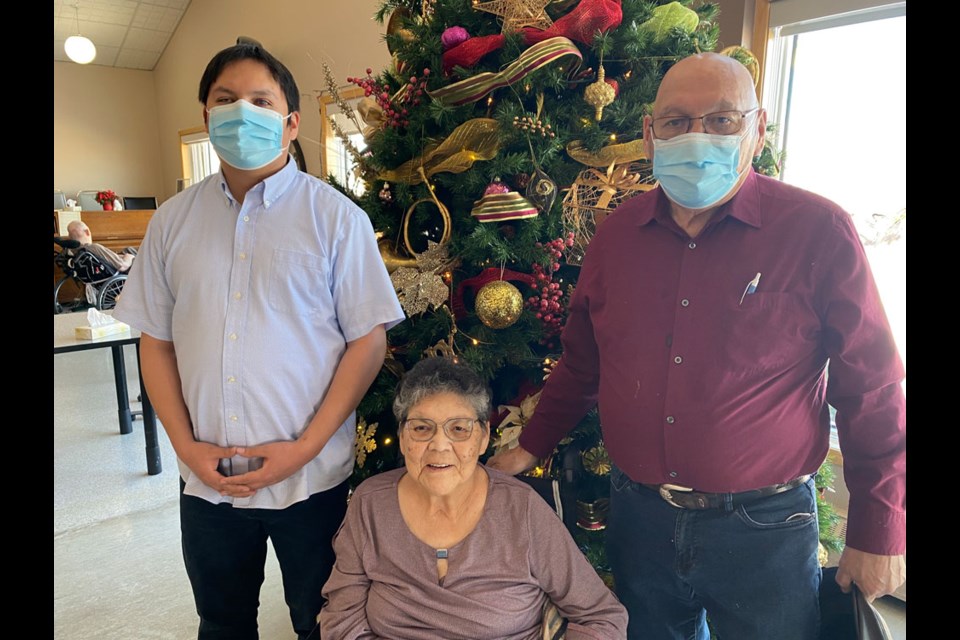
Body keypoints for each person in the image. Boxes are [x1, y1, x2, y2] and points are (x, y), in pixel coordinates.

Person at [488, 52, 905, 640]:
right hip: (640, 518)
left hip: (765, 529)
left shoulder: (818, 231)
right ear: (649, 135)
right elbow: (583, 364)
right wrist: (529, 447)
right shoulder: (615, 237)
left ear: (757, 130)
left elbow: (873, 388)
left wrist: (878, 529)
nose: (697, 135)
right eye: (678, 121)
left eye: (721, 120)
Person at [113, 43, 405, 640]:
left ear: (291, 122)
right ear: (205, 115)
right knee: (221, 623)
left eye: (260, 100)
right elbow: (156, 342)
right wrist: (187, 449)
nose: (241, 111)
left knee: (321, 623)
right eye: (226, 100)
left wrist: (302, 448)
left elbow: (367, 343)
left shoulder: (335, 218)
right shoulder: (171, 221)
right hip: (206, 482)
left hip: (311, 479)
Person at [319, 357, 628, 640]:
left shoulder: (522, 509)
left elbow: (602, 617)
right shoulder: (370, 504)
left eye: (459, 429)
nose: (439, 446)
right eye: (422, 428)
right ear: (402, 437)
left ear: (482, 438)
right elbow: (342, 619)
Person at [66, 220, 137, 273]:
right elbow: (122, 266)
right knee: (133, 252)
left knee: (128, 249)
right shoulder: (94, 247)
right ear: (87, 232)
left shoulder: (75, 251)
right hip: (124, 272)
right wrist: (129, 257)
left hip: (109, 266)